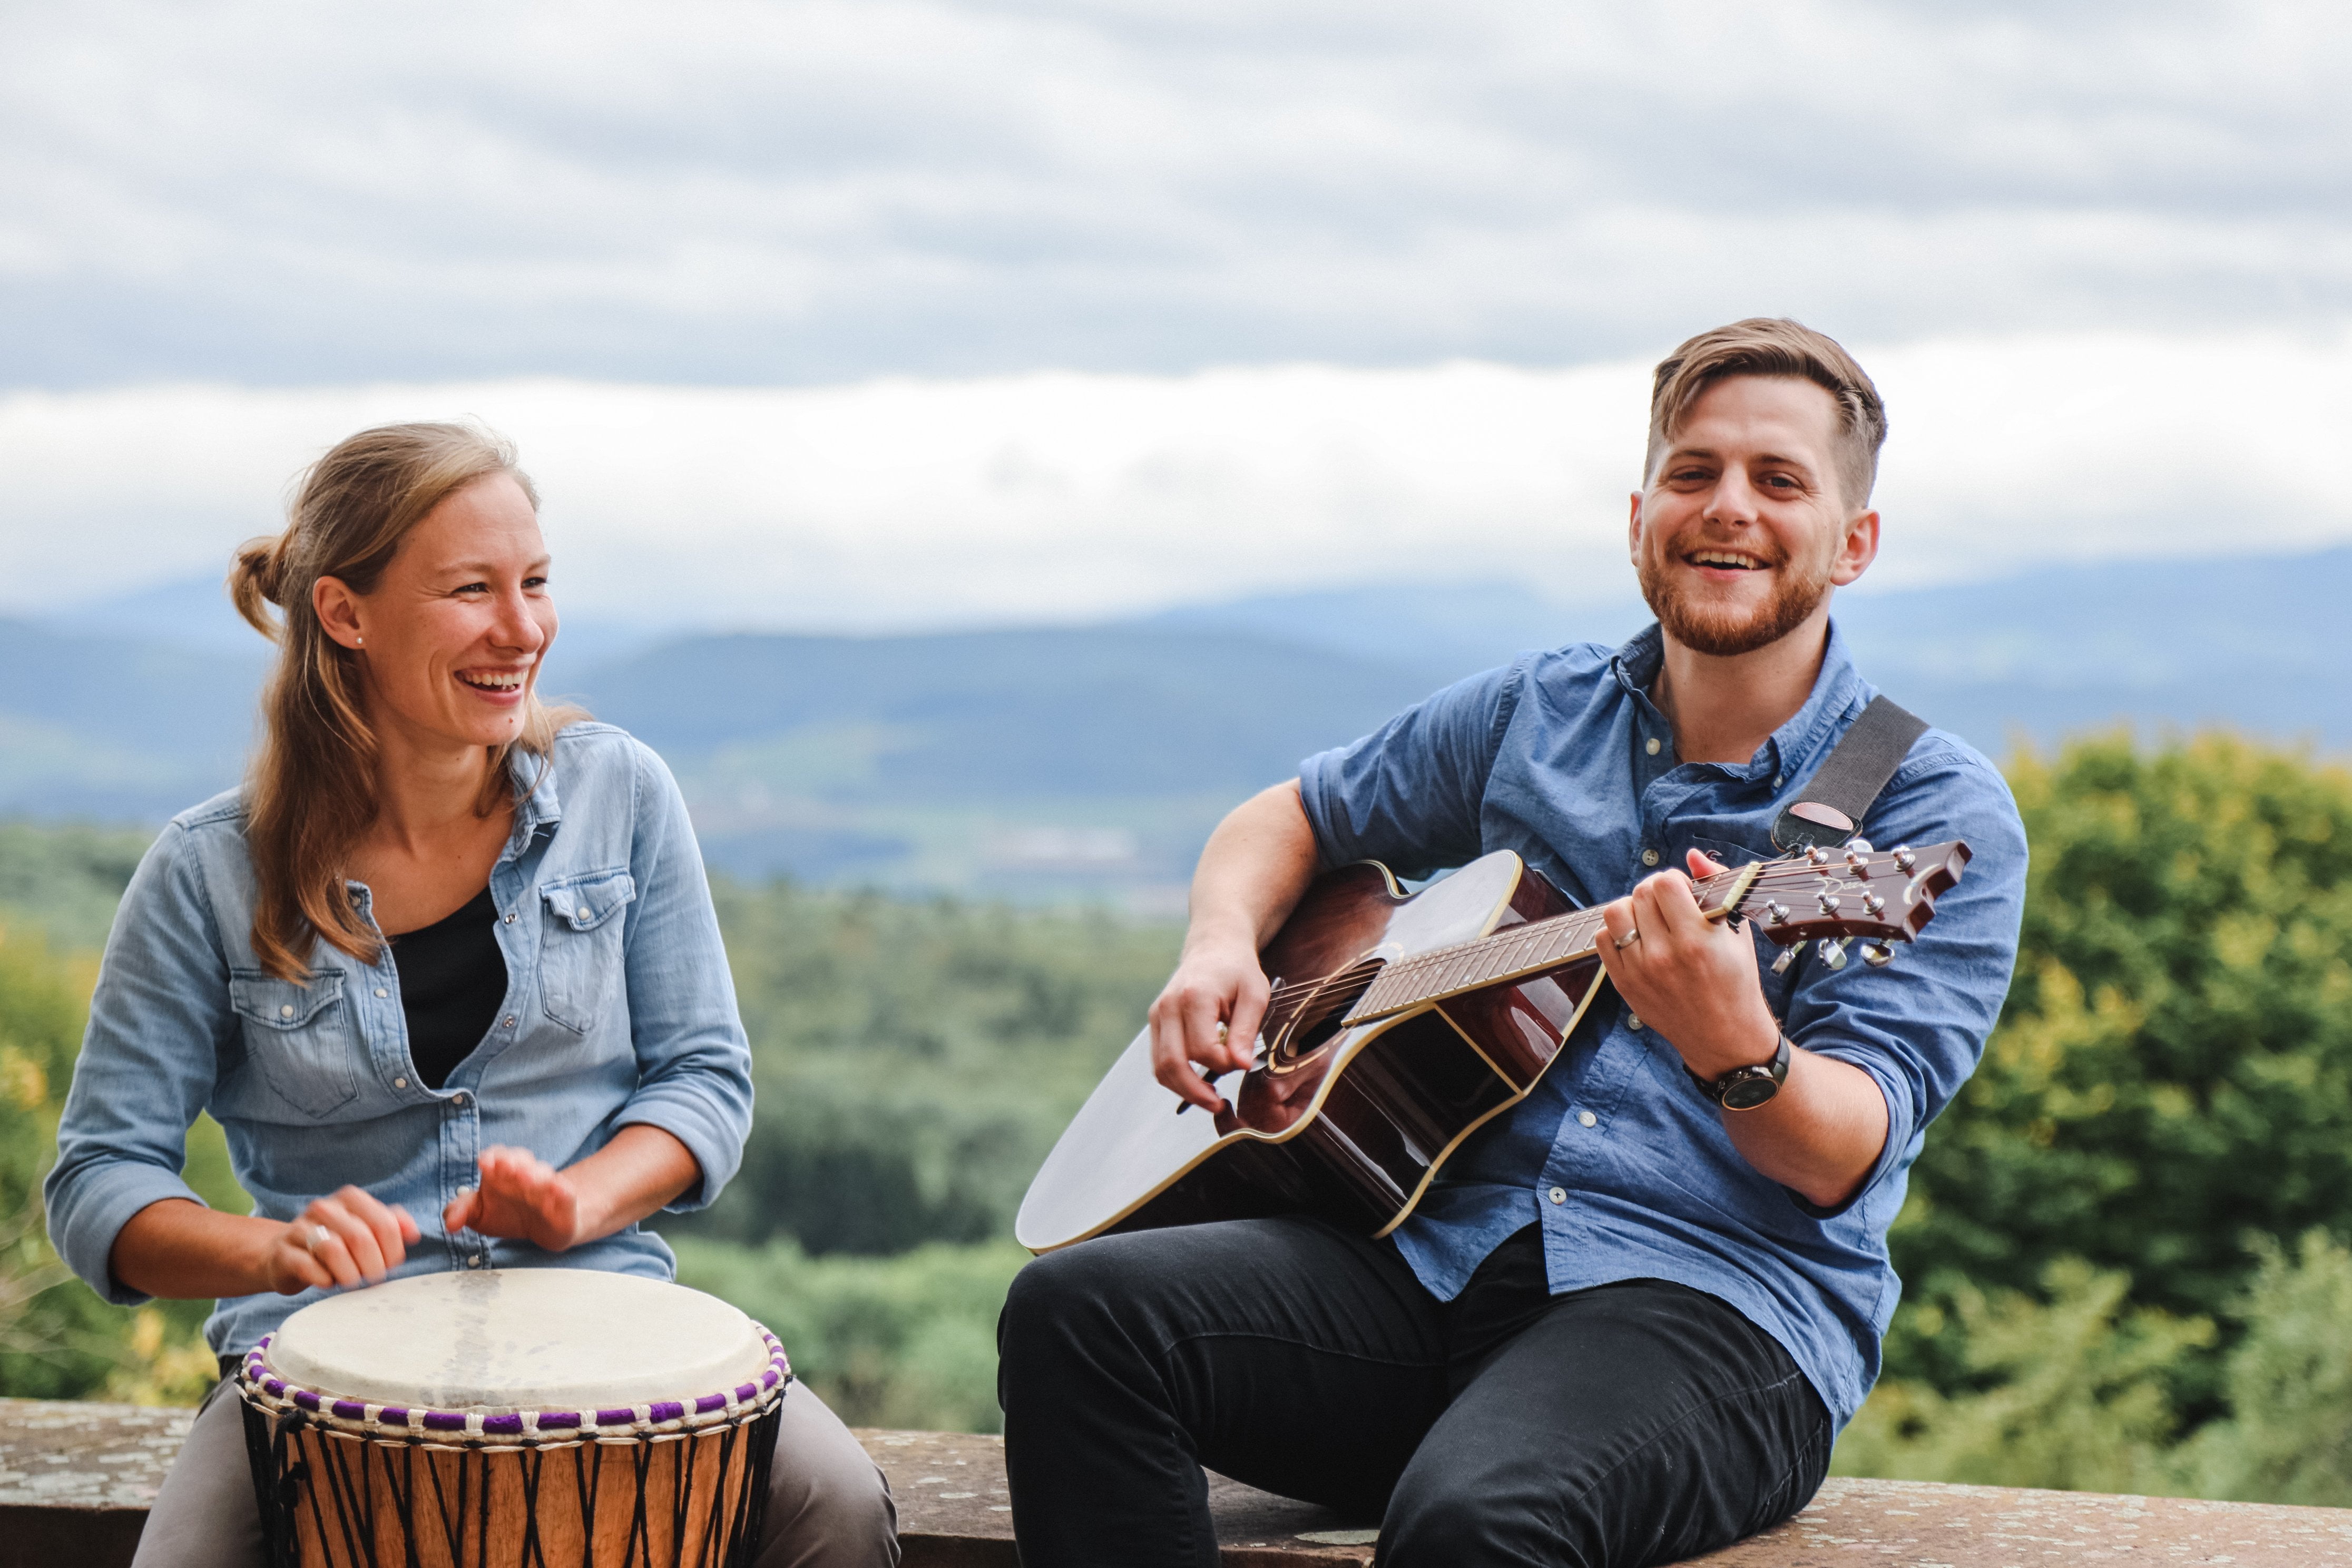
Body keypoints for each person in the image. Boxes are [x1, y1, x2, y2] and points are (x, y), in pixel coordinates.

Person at [996, 319, 2030, 1567]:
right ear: (1641, 511)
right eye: (1694, 473)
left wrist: (1733, 1046)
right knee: (1077, 1316)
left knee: (1478, 1525)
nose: (1729, 509)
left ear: (1853, 543)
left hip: (1713, 1309)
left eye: (1780, 480)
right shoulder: (1537, 710)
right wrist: (1220, 947)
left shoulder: (1925, 813)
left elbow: (1839, 1155)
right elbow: (1290, 817)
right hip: (1426, 1256)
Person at [43, 423, 898, 1568]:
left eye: (536, 584)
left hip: (612, 1335)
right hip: (307, 1378)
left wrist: (580, 1203)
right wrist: (273, 1250)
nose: (523, 629)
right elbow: (101, 1181)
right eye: (471, 591)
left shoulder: (622, 792)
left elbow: (704, 1081)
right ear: (347, 615)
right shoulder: (205, 873)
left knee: (837, 1503)